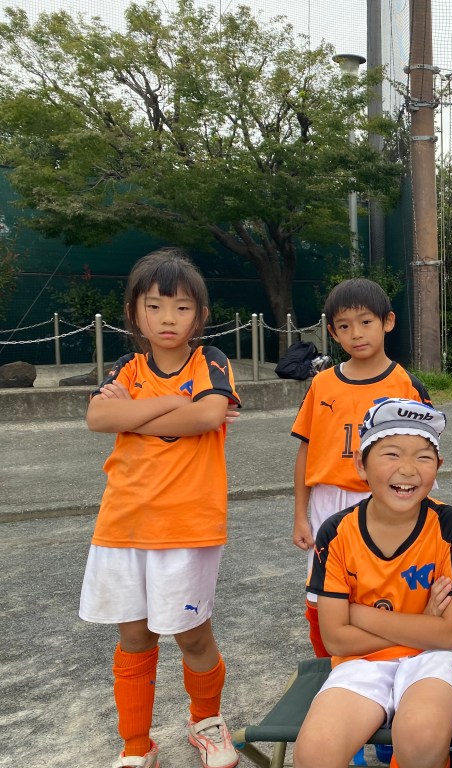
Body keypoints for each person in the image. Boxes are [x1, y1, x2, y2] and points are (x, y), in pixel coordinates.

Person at [81, 248, 241, 768]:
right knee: (134, 636)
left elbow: (208, 415)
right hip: (123, 523)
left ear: (201, 315)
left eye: (181, 307)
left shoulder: (210, 361)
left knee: (192, 635)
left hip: (187, 525)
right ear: (135, 313)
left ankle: (206, 723)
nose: (167, 318)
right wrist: (176, 403)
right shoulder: (127, 367)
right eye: (154, 306)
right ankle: (136, 745)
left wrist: (133, 414)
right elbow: (98, 418)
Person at [294, 398, 452, 768]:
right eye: (391, 454)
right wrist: (422, 623)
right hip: (361, 661)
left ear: (439, 466)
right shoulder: (337, 532)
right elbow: (336, 639)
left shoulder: (451, 525)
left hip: (433, 658)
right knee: (314, 753)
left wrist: (357, 614)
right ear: (361, 464)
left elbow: (448, 634)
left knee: (421, 738)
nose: (407, 469)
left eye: (423, 457)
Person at [291, 278, 432, 658]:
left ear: (388, 322)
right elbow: (306, 451)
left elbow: (424, 455)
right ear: (333, 333)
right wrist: (300, 516)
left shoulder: (406, 385)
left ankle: (393, 660)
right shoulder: (322, 384)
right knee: (323, 593)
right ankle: (328, 664)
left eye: (365, 322)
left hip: (387, 499)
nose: (356, 333)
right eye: (344, 325)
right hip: (328, 502)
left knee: (385, 586)